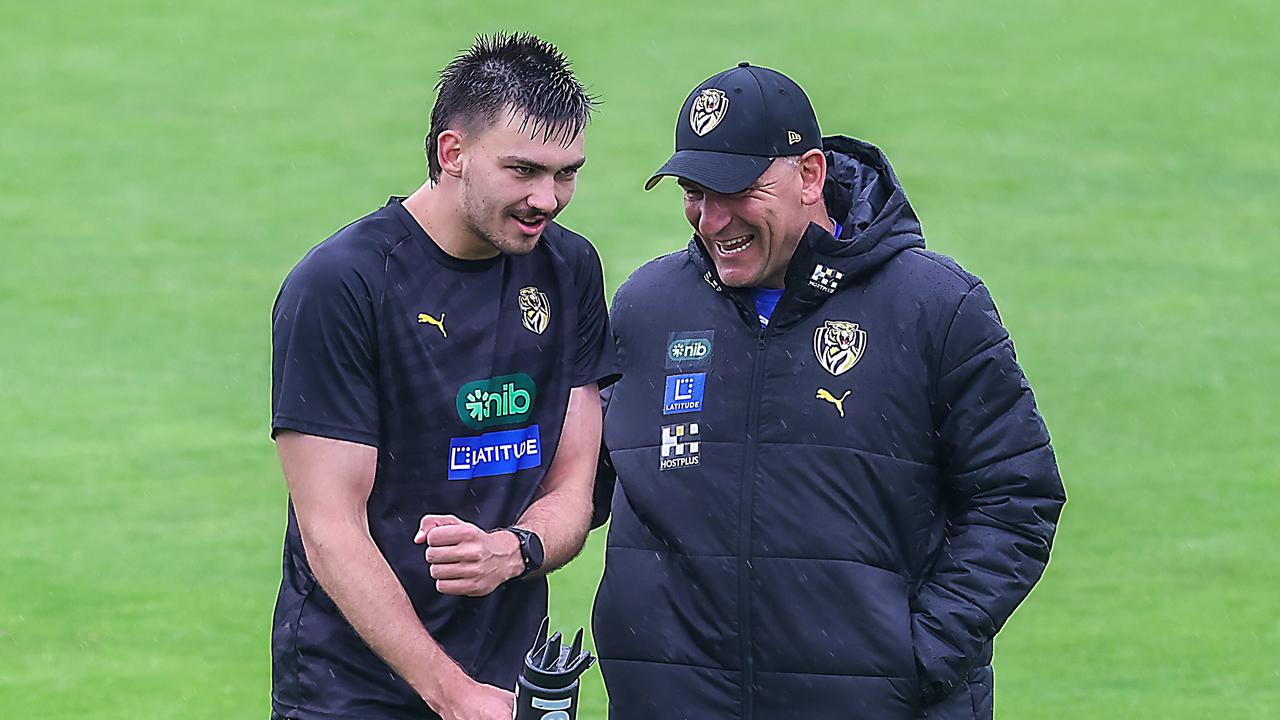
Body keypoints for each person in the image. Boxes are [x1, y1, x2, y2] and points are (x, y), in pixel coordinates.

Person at [591, 62, 1065, 719]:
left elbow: (1017, 498)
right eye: (695, 190)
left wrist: (914, 658)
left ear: (810, 175)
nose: (711, 218)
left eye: (737, 190)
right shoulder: (649, 306)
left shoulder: (934, 307)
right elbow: (586, 474)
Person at [269, 33, 617, 720]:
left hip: (506, 684)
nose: (548, 199)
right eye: (523, 170)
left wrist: (513, 551)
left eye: (566, 173)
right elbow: (330, 529)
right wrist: (450, 692)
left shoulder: (569, 270)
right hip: (352, 691)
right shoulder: (343, 285)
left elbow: (574, 484)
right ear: (451, 153)